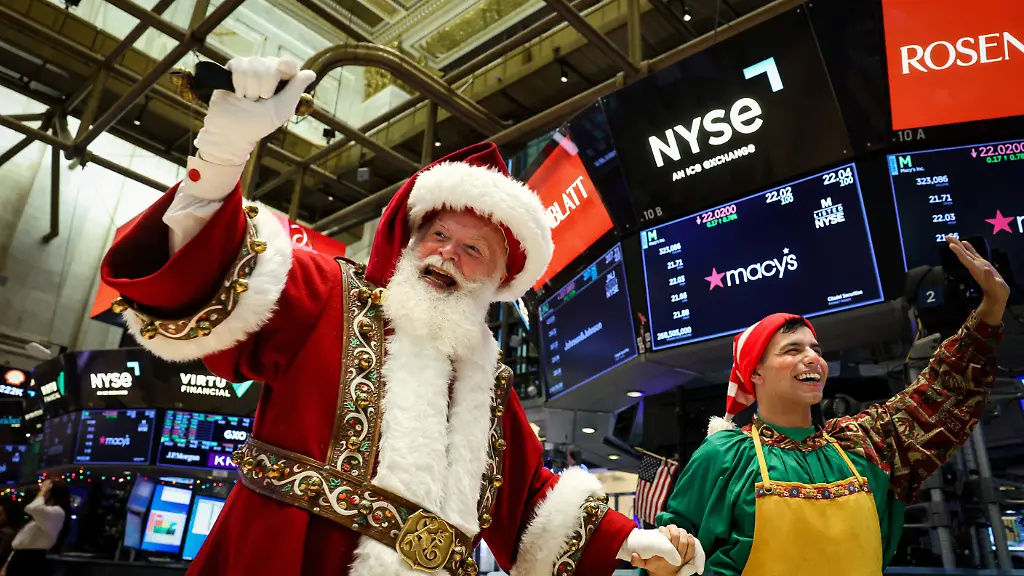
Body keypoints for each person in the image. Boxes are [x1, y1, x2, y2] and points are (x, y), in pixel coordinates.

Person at [100, 56, 703, 576]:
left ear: (496, 281)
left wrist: (633, 541)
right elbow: (208, 273)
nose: (447, 255)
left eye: (473, 250)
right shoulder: (329, 296)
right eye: (438, 235)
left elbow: (528, 502)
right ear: (412, 240)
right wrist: (222, 154)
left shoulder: (487, 382)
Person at [647, 236, 1008, 576]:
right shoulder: (723, 456)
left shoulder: (864, 444)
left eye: (816, 350)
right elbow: (671, 556)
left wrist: (991, 307)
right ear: (755, 372)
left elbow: (940, 394)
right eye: (792, 350)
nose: (813, 359)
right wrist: (666, 563)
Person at [2, 480, 70, 576]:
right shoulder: (42, 515)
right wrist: (7, 564)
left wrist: (43, 492)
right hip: (20, 557)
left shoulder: (57, 512)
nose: (39, 492)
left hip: (32, 559)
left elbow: (32, 508)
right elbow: (21, 543)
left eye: (43, 489)